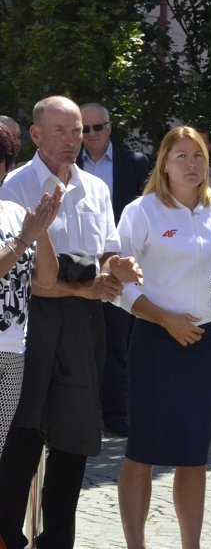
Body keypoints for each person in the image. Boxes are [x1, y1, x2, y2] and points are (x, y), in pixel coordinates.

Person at [0, 95, 142, 549]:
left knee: (74, 438)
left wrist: (120, 268)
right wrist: (86, 283)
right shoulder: (16, 188)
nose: (72, 140)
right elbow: (29, 279)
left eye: (77, 130)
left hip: (83, 324)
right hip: (32, 322)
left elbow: (107, 253)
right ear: (37, 135)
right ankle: (7, 536)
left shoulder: (95, 188)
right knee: (24, 437)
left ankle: (58, 541)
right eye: (60, 131)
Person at [113, 126, 211, 549]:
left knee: (193, 454)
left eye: (197, 156)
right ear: (164, 162)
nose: (191, 164)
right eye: (181, 156)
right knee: (141, 450)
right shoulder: (141, 211)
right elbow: (118, 285)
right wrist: (165, 319)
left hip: (205, 343)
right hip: (154, 341)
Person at [78, 102, 153, 437]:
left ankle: (116, 413)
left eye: (98, 127)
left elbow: (150, 209)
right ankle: (80, 413)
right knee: (78, 344)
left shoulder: (133, 163)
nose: (91, 135)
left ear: (109, 127)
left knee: (116, 345)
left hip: (118, 265)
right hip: (76, 266)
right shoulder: (68, 163)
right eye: (85, 129)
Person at [0, 122, 62, 456]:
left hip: (13, 351)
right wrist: (25, 237)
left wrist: (43, 228)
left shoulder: (13, 212)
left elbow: (46, 281)